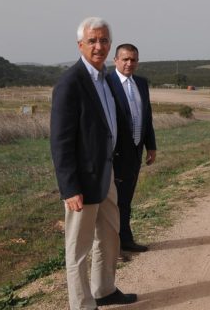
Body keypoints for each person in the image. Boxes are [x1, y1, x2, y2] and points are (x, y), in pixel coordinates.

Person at [50, 17, 137, 309]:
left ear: (109, 44)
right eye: (92, 41)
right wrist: (69, 187)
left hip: (107, 175)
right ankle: (82, 304)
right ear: (80, 45)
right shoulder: (70, 84)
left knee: (110, 238)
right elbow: (60, 142)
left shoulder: (106, 80)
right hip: (83, 182)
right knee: (79, 249)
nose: (98, 46)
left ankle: (104, 289)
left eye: (103, 40)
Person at [106, 43, 157, 253]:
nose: (129, 63)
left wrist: (150, 146)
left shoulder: (141, 84)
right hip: (114, 153)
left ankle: (125, 240)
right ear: (115, 60)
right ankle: (111, 247)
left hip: (134, 152)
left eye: (133, 59)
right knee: (111, 204)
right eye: (125, 59)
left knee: (125, 200)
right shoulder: (106, 82)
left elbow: (147, 117)